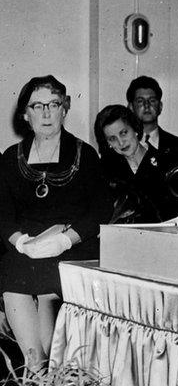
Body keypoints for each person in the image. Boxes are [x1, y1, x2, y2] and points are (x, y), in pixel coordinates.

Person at [0, 76, 112, 370]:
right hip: (24, 254)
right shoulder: (12, 158)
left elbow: (101, 210)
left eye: (54, 104)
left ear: (65, 109)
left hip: (69, 253)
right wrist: (20, 241)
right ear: (25, 115)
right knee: (33, 358)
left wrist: (65, 239)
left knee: (55, 359)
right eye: (37, 106)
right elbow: (2, 212)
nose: (46, 113)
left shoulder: (84, 154)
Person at [95, 104, 178, 223]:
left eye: (123, 133)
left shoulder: (166, 161)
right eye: (112, 138)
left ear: (135, 129)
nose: (121, 142)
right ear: (108, 143)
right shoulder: (106, 170)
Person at [126, 76, 178, 163]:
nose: (146, 105)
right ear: (131, 107)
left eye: (152, 100)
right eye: (140, 101)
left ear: (160, 106)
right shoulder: (121, 145)